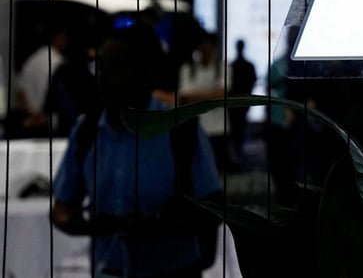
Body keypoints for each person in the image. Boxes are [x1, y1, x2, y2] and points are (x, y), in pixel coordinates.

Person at [51, 24, 222, 278]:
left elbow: (213, 207)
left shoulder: (181, 131)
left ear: (145, 73)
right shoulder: (87, 131)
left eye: (117, 65)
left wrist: (159, 224)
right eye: (101, 65)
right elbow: (62, 208)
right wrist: (90, 226)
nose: (104, 75)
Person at [178, 31, 229, 171]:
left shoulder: (223, 68)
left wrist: (196, 95)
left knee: (216, 167)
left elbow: (222, 93)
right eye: (203, 45)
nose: (205, 49)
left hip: (218, 128)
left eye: (209, 46)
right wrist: (211, 95)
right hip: (195, 126)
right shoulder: (188, 68)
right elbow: (184, 96)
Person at [13, 26, 69, 135]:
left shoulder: (31, 60)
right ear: (57, 38)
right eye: (64, 38)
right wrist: (40, 116)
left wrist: (32, 115)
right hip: (49, 125)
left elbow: (19, 92)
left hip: (30, 122)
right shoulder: (59, 62)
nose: (65, 42)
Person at [228, 39, 257, 167]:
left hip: (236, 102)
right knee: (238, 128)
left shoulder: (232, 65)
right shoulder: (246, 65)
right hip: (241, 101)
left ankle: (237, 153)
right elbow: (253, 81)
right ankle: (237, 152)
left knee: (236, 128)